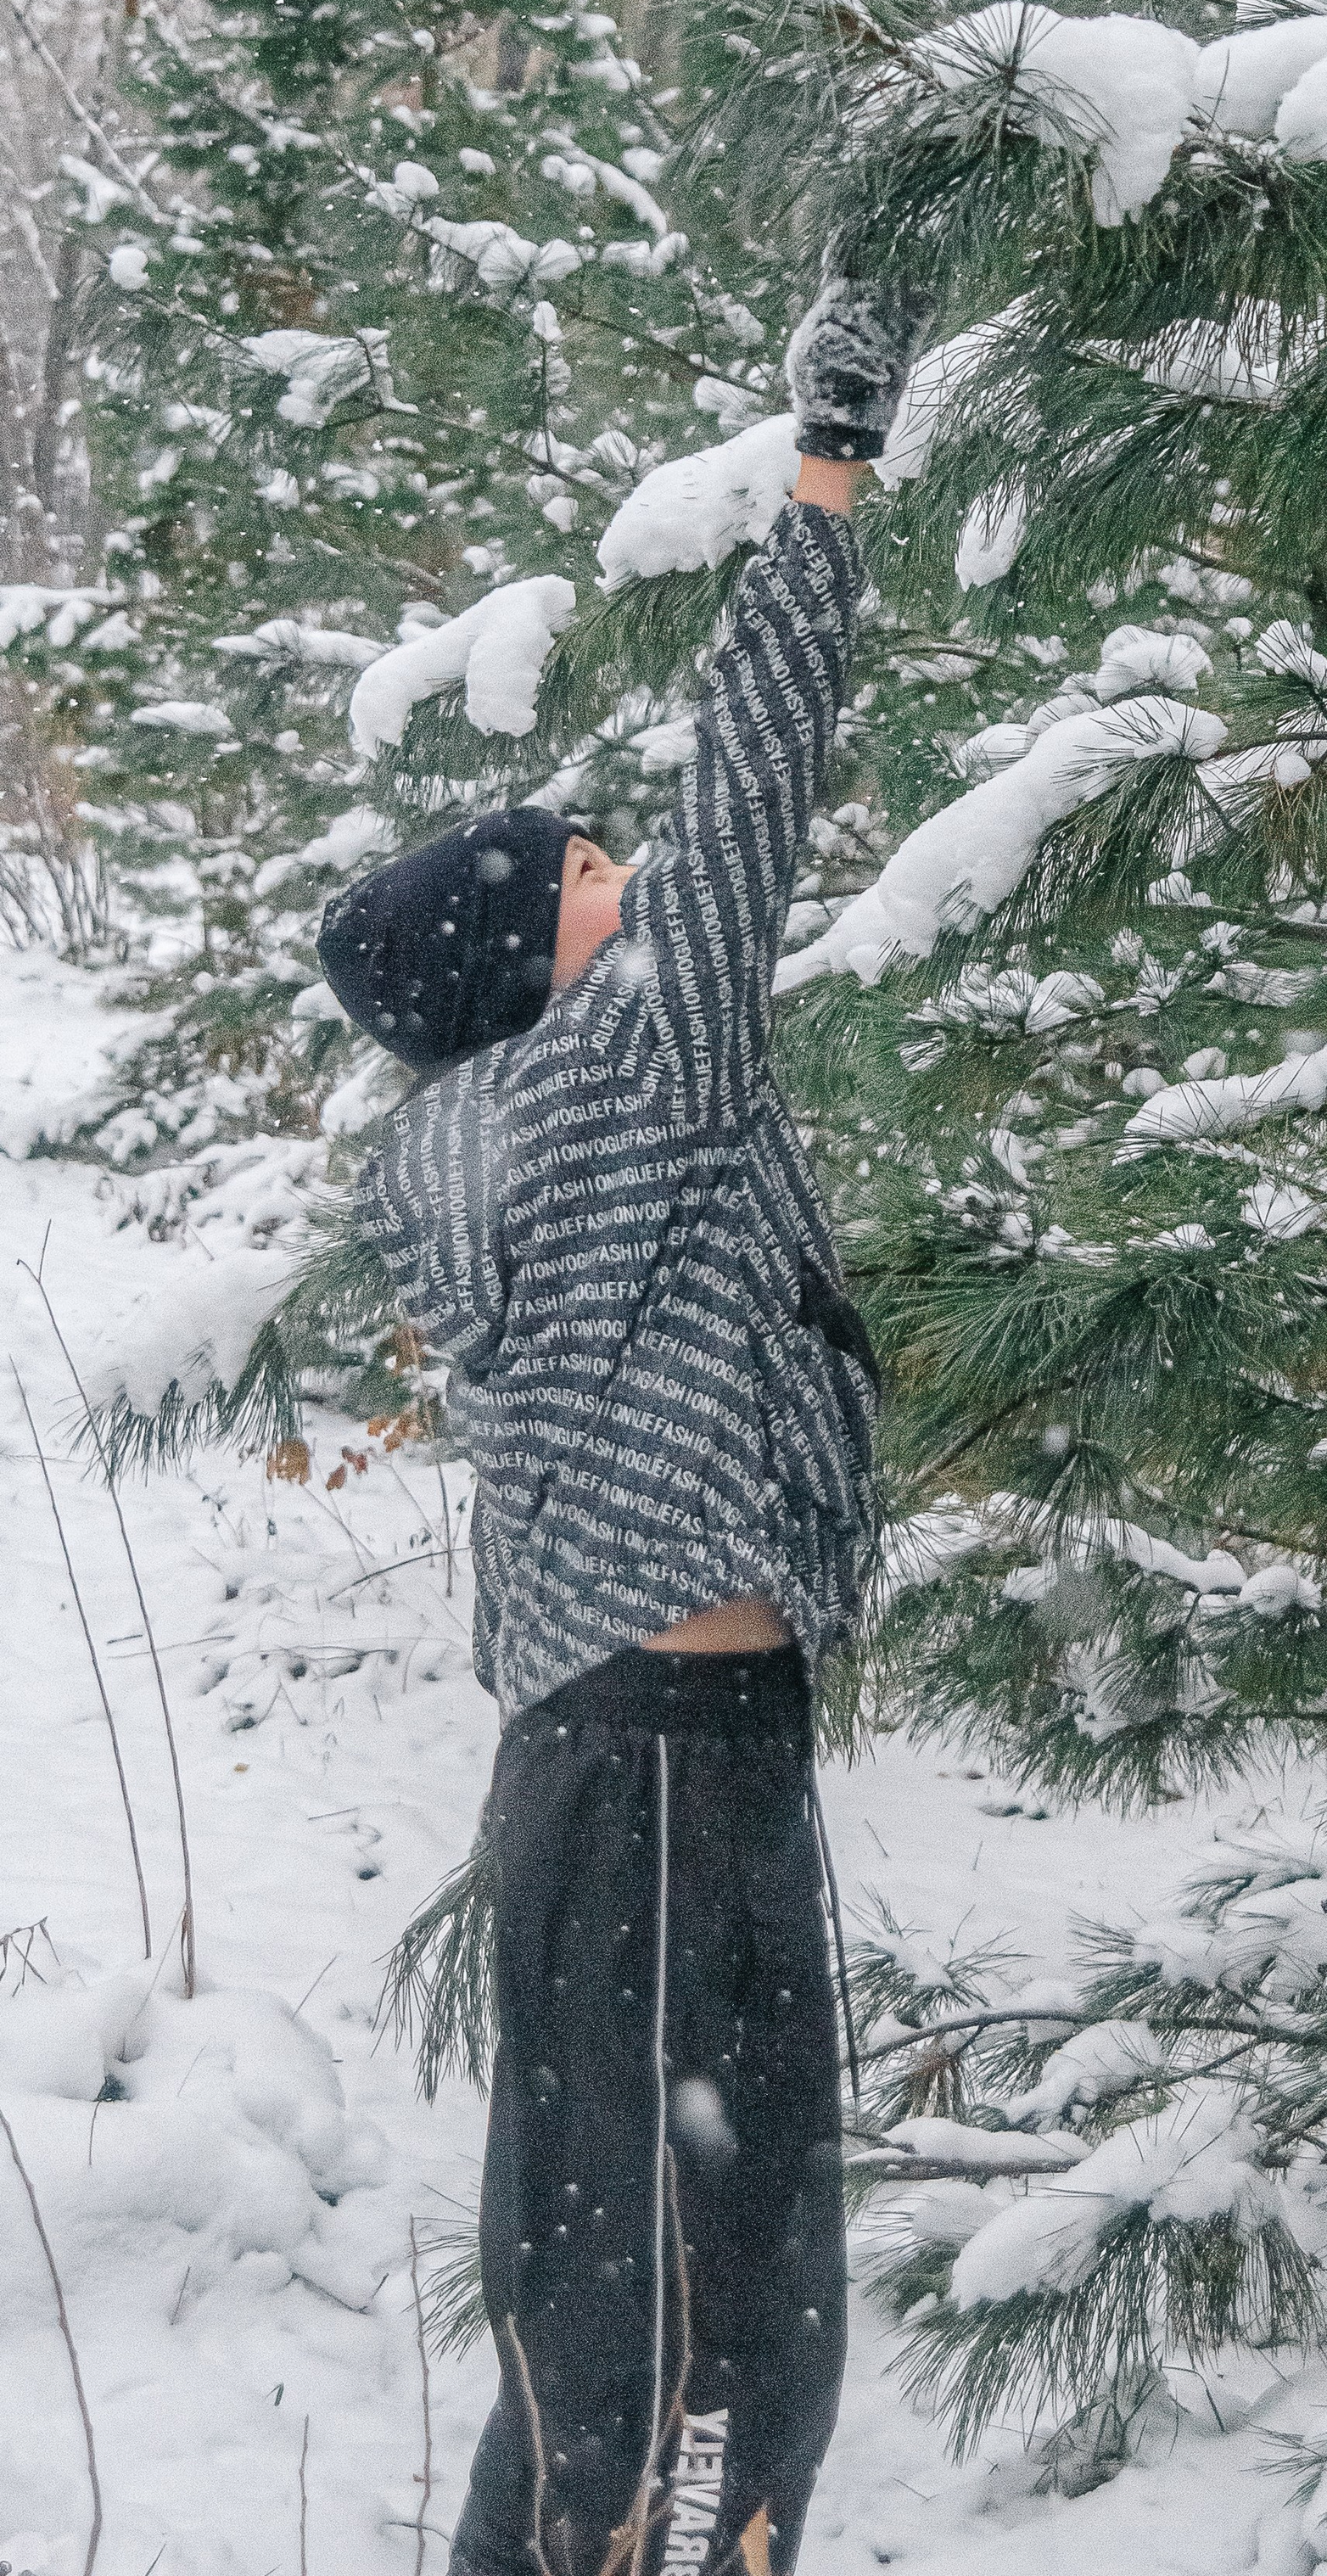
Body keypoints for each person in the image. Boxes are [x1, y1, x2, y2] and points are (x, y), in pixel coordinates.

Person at [316, 276, 927, 2576]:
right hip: (671, 1777)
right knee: (714, 2342)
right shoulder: (623, 1071)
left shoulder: (464, 1140)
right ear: (529, 962)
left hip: (633, 1772)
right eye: (585, 874)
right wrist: (827, 479)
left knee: (604, 2318)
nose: (632, 874)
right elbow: (756, 769)